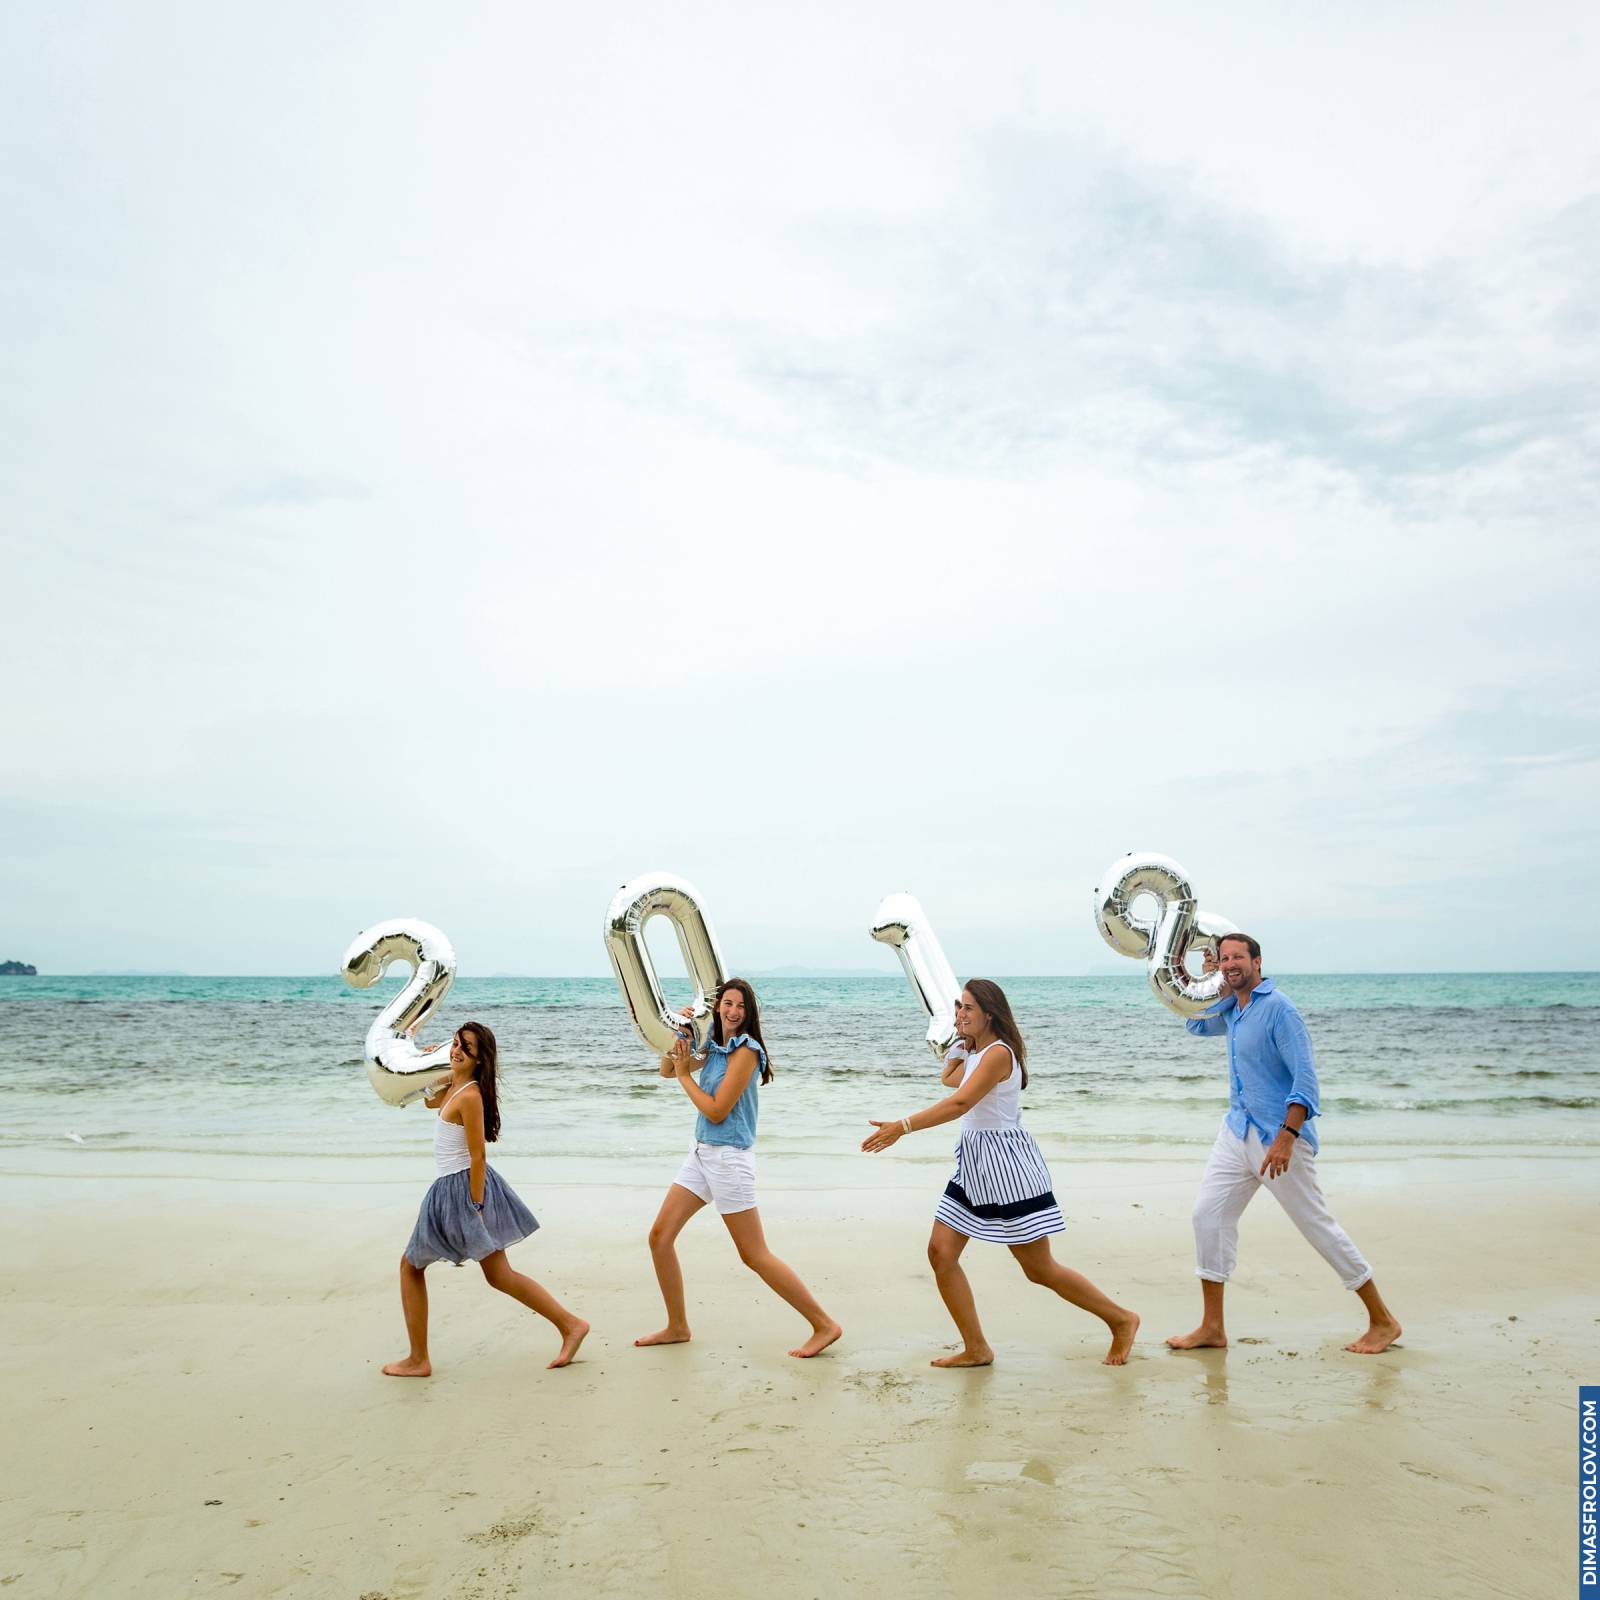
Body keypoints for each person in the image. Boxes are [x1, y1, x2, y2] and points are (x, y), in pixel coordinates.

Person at [862, 979, 1140, 1368]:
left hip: (1006, 1167)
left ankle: (1121, 1319)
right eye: (958, 1007)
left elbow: (959, 1102)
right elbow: (950, 1078)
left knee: (1039, 1269)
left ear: (990, 1014)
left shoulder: (998, 1054)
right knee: (940, 1253)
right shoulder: (978, 1052)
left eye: (969, 1008)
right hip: (974, 1164)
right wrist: (959, 1044)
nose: (960, 1013)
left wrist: (901, 1127)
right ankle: (976, 1348)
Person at [1166, 933, 1403, 1355]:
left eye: (1237, 957)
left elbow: (1306, 1083)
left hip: (1278, 1139)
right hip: (1236, 1131)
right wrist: (1201, 980)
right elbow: (1195, 1023)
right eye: (1223, 959)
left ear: (1257, 961)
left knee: (1317, 1226)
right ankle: (1212, 1328)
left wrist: (1286, 1138)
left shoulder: (1280, 1010)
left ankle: (1383, 1320)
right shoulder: (1233, 1008)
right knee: (1207, 1217)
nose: (1230, 963)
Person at [634, 977, 842, 1359]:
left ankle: (824, 1324)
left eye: (740, 1007)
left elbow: (716, 1109)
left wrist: (684, 1076)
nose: (732, 1012)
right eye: (727, 1004)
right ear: (718, 1008)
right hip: (701, 1155)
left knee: (754, 1254)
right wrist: (677, 1033)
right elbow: (668, 1068)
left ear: (748, 1015)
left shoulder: (746, 1051)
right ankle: (678, 1326)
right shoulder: (713, 1046)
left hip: (729, 1159)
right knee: (659, 1237)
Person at [382, 1021, 589, 1377]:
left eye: (467, 1049)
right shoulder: (454, 1085)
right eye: (456, 1043)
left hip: (462, 1190)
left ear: (480, 1059)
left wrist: (474, 1206)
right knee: (495, 1275)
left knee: (413, 1266)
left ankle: (419, 1359)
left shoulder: (471, 1096)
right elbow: (427, 1100)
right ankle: (570, 1324)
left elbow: (478, 1156)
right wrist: (429, 1059)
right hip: (450, 1188)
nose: (457, 1050)